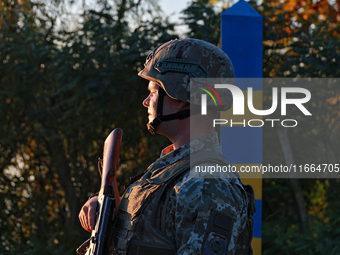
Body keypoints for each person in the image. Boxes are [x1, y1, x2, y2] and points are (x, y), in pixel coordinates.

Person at [78, 38, 255, 255]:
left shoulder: (206, 184)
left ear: (181, 97)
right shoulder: (173, 172)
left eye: (153, 91)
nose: (145, 101)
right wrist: (108, 212)